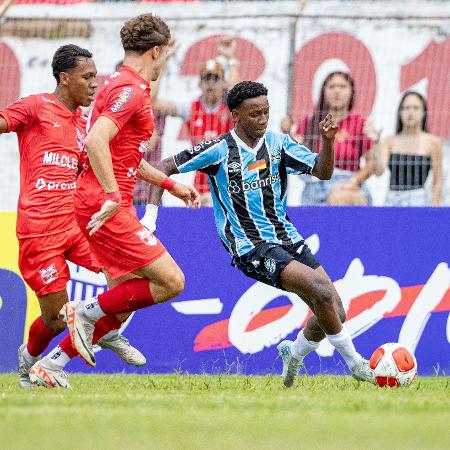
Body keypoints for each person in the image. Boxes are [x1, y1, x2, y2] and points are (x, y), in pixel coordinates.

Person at [146, 81, 376, 387]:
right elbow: (162, 165)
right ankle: (356, 363)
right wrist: (151, 215)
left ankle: (293, 354)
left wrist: (328, 142)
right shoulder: (218, 150)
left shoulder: (279, 145)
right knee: (320, 291)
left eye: (266, 112)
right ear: (236, 115)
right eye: (255, 113)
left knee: (336, 311)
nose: (263, 119)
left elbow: (322, 171)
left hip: (287, 237)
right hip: (250, 246)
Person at [55, 14, 200, 373]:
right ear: (155, 51)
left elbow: (123, 156)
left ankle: (52, 365)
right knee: (171, 281)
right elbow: (94, 141)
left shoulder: (115, 83)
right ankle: (84, 311)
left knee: (125, 299)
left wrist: (171, 184)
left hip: (101, 201)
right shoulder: (131, 90)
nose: (164, 63)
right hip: (106, 204)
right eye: (165, 55)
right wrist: (112, 196)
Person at [0, 44, 145, 389]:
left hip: (79, 224)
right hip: (39, 229)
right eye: (88, 77)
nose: (95, 84)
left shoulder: (86, 124)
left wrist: (168, 182)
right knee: (53, 319)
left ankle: (104, 331)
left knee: (131, 276)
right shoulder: (36, 106)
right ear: (65, 79)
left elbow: (118, 162)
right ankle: (30, 360)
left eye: (96, 76)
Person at [153, 35, 240, 206]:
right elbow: (153, 102)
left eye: (215, 78)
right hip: (201, 180)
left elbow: (240, 94)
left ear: (224, 82)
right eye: (206, 78)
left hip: (228, 178)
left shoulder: (230, 109)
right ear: (199, 83)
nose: (210, 83)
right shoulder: (191, 108)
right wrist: (164, 61)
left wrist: (231, 59)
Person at [292, 71, 377, 205]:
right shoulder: (309, 123)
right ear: (324, 92)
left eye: (342, 87)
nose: (337, 91)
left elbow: (371, 163)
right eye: (332, 87)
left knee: (343, 199)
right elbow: (295, 160)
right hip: (316, 187)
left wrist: (353, 181)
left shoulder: (360, 123)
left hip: (349, 185)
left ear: (351, 92)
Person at [373, 91, 442, 206]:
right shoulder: (389, 141)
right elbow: (379, 171)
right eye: (406, 108)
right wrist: (375, 143)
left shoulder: (433, 142)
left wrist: (434, 208)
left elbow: (438, 180)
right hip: (392, 198)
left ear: (424, 112)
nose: (411, 112)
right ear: (400, 113)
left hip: (418, 200)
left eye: (416, 108)